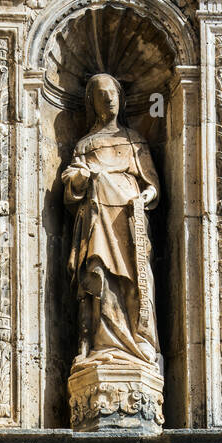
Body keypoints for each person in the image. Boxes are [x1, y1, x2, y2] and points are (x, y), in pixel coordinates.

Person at [62, 72, 161, 370]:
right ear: (92, 102)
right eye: (101, 95)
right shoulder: (85, 145)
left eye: (113, 93)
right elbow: (71, 184)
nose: (108, 99)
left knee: (134, 282)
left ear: (121, 98)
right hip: (98, 221)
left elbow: (151, 184)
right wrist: (84, 178)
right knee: (99, 276)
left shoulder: (134, 140)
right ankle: (99, 344)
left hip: (129, 223)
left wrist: (145, 197)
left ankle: (137, 341)